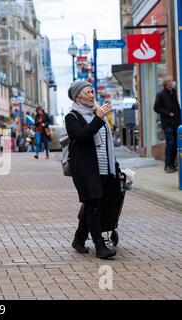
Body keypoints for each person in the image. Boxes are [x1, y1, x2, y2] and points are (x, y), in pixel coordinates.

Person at [65, 80, 117, 260]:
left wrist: (115, 166)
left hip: (104, 166)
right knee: (94, 204)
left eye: (92, 92)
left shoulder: (98, 114)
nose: (92, 95)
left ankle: (79, 239)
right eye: (87, 92)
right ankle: (100, 245)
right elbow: (81, 136)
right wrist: (98, 118)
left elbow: (107, 141)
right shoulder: (72, 117)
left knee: (92, 203)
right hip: (85, 168)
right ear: (78, 96)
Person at [154, 76, 181, 173]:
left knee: (175, 144)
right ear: (166, 84)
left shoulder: (173, 92)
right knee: (170, 143)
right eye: (170, 81)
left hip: (176, 123)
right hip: (167, 123)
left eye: (172, 81)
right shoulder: (161, 94)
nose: (172, 82)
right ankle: (167, 165)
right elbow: (156, 107)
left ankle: (173, 165)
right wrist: (168, 113)